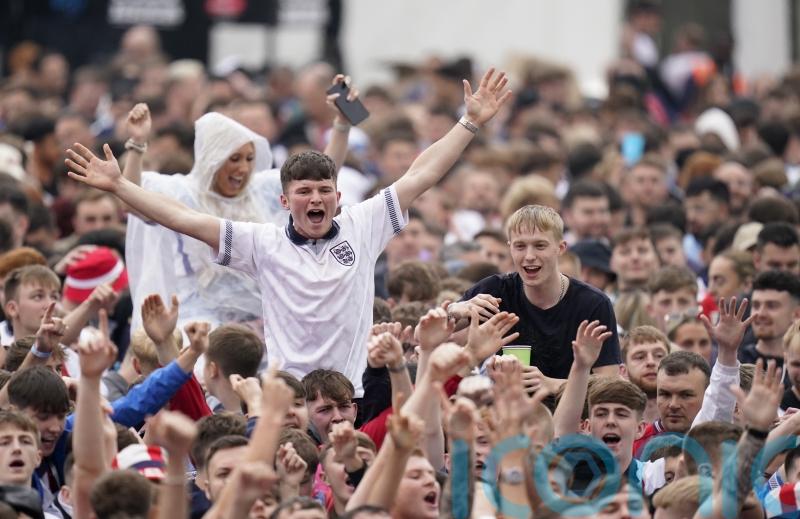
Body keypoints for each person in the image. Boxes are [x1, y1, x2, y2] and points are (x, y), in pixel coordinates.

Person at [65, 67, 512, 394]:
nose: (315, 199)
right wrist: (119, 184)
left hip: (354, 391)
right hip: (287, 396)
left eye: (324, 190)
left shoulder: (363, 223)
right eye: (304, 192)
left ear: (338, 196)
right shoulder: (262, 241)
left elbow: (420, 175)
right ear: (284, 201)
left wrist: (469, 123)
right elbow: (182, 218)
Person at [120, 75, 359, 333]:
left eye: (249, 158)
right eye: (234, 158)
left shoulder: (261, 188)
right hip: (198, 318)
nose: (243, 168)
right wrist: (136, 145)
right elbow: (132, 201)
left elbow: (323, 169)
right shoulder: (181, 191)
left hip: (265, 318)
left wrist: (342, 124)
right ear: (212, 158)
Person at [449, 204, 621, 384]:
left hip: (571, 411)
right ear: (510, 248)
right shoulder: (495, 290)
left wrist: (551, 384)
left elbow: (609, 383)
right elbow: (435, 336)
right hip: (504, 406)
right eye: (520, 246)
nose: (529, 256)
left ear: (560, 248)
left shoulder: (593, 303)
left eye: (540, 246)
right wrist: (456, 309)